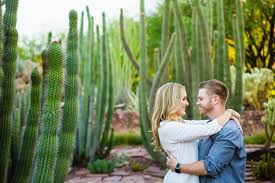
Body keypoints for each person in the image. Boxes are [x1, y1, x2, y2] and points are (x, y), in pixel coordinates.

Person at [151, 82, 241, 183]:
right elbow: (209, 128)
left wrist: (226, 117)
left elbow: (203, 124)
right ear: (172, 101)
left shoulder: (176, 124)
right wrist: (228, 113)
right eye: (183, 99)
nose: (187, 103)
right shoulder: (170, 128)